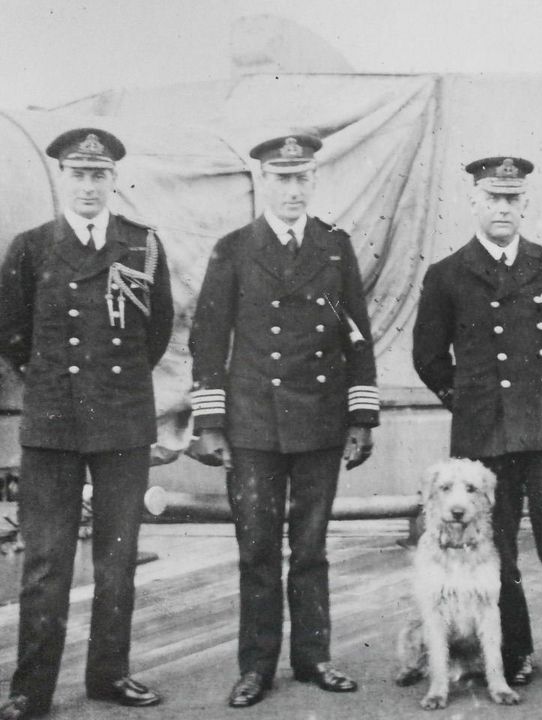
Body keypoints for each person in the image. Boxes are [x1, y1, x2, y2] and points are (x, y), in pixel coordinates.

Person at [412, 156, 542, 691]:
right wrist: (471, 401)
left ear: (524, 203)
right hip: (485, 438)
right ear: (474, 202)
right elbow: (428, 357)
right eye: (492, 198)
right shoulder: (446, 274)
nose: (502, 208)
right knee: (496, 551)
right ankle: (514, 654)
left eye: (512, 198)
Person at [188, 134, 379, 708]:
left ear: (313, 181)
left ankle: (314, 657)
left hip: (319, 420)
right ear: (263, 182)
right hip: (254, 424)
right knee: (258, 551)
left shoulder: (334, 248)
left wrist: (361, 416)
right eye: (282, 179)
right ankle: (256, 667)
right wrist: (211, 422)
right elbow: (208, 338)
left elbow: (354, 332)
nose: (293, 190)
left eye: (302, 178)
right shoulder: (234, 249)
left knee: (312, 548)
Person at [0, 128, 173, 719]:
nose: (89, 186)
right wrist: (55, 382)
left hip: (122, 421)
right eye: (78, 174)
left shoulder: (142, 246)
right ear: (62, 178)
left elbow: (155, 332)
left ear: (114, 180)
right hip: (53, 424)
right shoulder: (30, 248)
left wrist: (110, 386)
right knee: (46, 563)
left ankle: (109, 675)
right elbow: (12, 332)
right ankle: (31, 690)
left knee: (117, 560)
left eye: (99, 175)